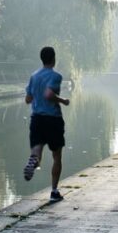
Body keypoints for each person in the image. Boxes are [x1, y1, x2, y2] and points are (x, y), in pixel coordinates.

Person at [23, 46, 70, 202]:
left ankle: (33, 160)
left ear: (42, 59)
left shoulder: (34, 76)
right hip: (52, 119)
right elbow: (49, 94)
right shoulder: (56, 76)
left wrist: (37, 97)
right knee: (57, 156)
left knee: (37, 151)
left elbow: (28, 99)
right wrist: (63, 100)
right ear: (53, 59)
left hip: (37, 119)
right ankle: (54, 192)